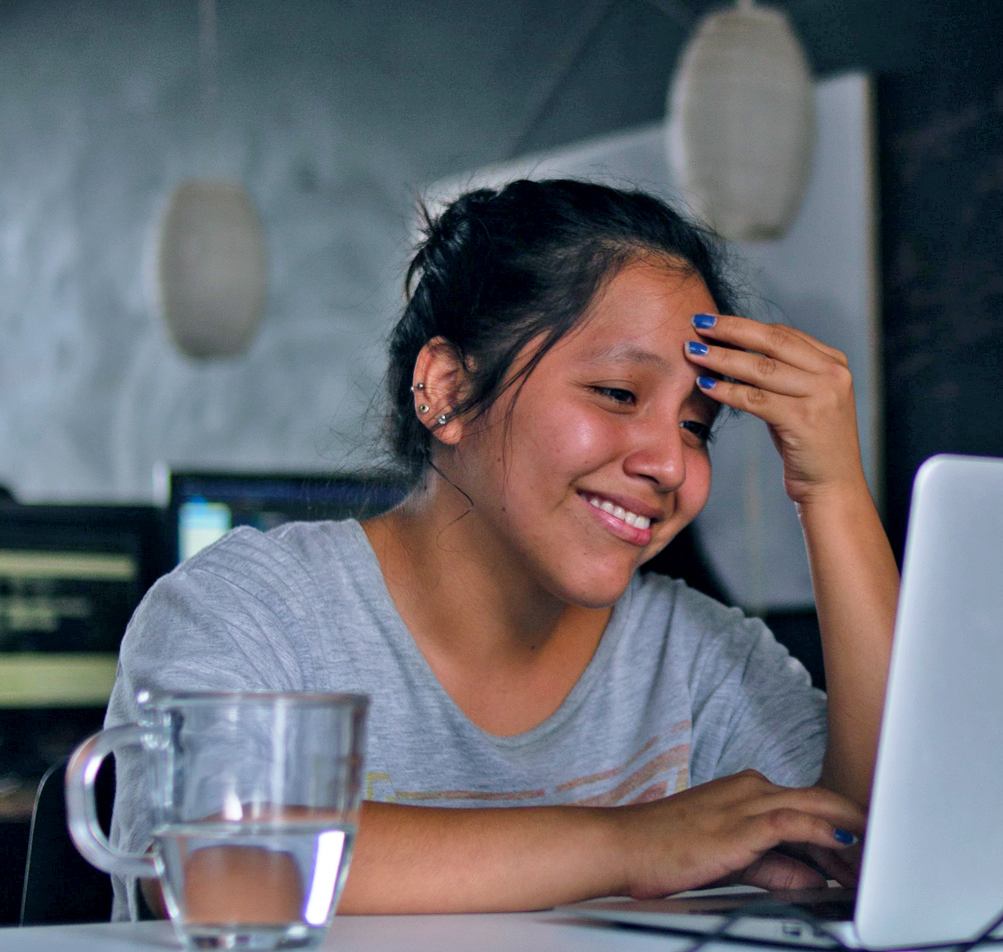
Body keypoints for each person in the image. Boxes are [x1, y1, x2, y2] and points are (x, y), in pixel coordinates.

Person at [106, 180, 900, 917]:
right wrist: (630, 842)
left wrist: (833, 488)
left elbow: (883, 846)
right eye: (618, 393)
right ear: (447, 390)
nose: (670, 463)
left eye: (696, 426)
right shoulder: (248, 609)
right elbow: (213, 863)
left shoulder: (698, 657)